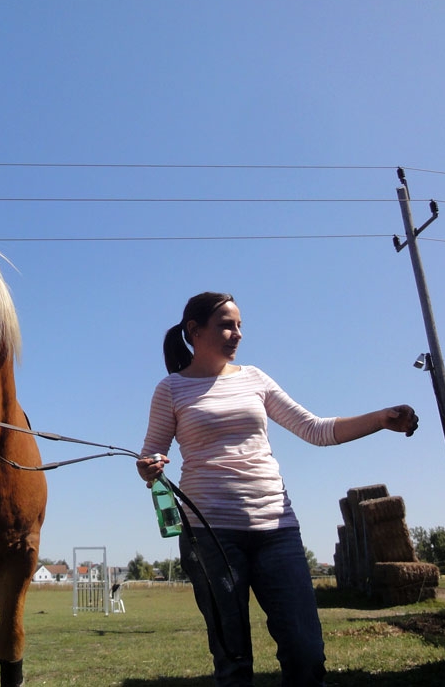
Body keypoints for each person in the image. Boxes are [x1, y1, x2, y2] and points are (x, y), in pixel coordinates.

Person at [135, 292, 418, 687]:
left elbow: (315, 429)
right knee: (233, 659)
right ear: (194, 332)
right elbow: (152, 455)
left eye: (239, 325)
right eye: (226, 325)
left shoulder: (255, 378)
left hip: (277, 530)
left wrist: (381, 419)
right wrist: (149, 467)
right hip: (210, 536)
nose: (237, 334)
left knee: (305, 653)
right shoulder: (171, 389)